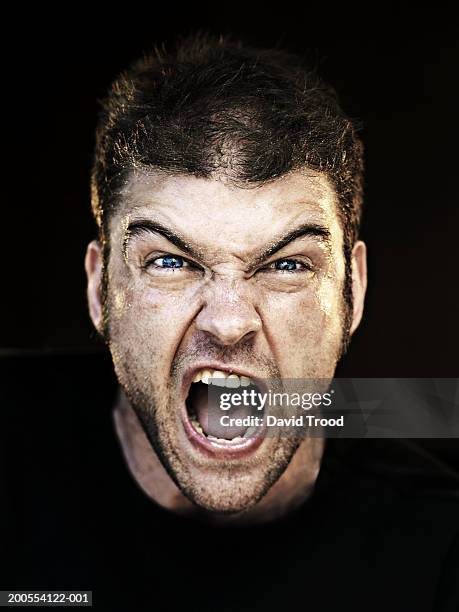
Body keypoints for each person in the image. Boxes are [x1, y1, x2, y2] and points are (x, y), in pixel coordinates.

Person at [2, 34, 458, 610]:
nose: (228, 321)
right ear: (100, 288)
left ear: (354, 289)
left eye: (287, 264)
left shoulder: (437, 545)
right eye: (170, 261)